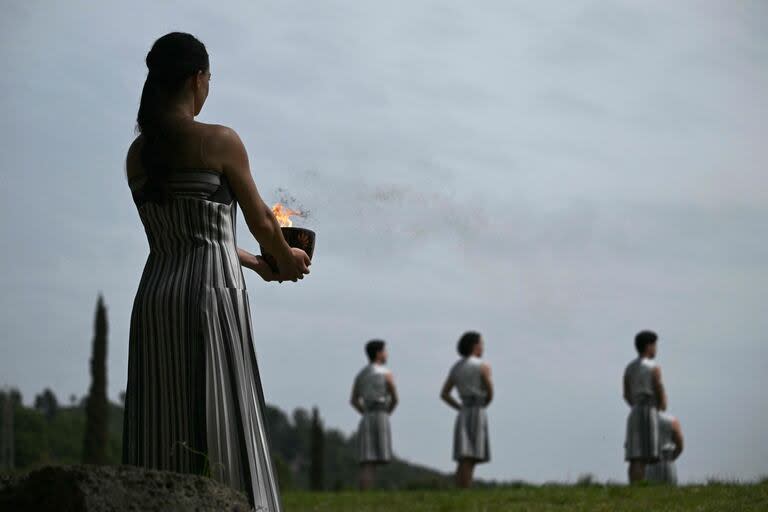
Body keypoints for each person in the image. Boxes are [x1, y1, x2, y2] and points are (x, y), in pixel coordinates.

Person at [122, 32, 310, 511]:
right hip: (211, 294)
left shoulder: (137, 155)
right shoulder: (219, 141)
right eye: (209, 78)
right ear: (196, 78)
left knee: (161, 427)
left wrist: (256, 265)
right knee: (227, 418)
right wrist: (286, 263)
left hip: (156, 296)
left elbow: (192, 232)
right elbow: (263, 221)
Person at [440, 331, 493, 488]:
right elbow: (490, 391)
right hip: (478, 409)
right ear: (475, 346)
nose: (483, 347)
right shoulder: (482, 366)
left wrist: (459, 407)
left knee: (464, 455)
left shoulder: (456, 367)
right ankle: (465, 488)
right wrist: (484, 404)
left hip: (464, 411)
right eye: (481, 343)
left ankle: (460, 487)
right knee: (472, 454)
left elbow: (444, 393)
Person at [349, 339, 399, 490]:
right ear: (378, 353)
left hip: (366, 416)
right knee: (376, 457)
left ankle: (365, 492)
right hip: (381, 414)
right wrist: (387, 413)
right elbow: (395, 398)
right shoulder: (386, 373)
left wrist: (364, 412)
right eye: (384, 351)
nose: (386, 354)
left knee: (367, 459)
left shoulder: (361, 375)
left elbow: (353, 400)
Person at [623, 330, 667, 484]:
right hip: (649, 410)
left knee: (635, 454)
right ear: (648, 346)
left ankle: (635, 486)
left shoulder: (629, 368)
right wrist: (661, 405)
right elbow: (658, 386)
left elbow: (626, 394)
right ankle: (641, 486)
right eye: (654, 345)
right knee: (645, 454)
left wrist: (635, 405)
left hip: (634, 411)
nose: (656, 348)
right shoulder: (654, 367)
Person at [646, 411, 684, 485]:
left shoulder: (640, 421)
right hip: (667, 461)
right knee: (670, 492)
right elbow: (680, 446)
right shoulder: (672, 420)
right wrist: (672, 457)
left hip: (648, 462)